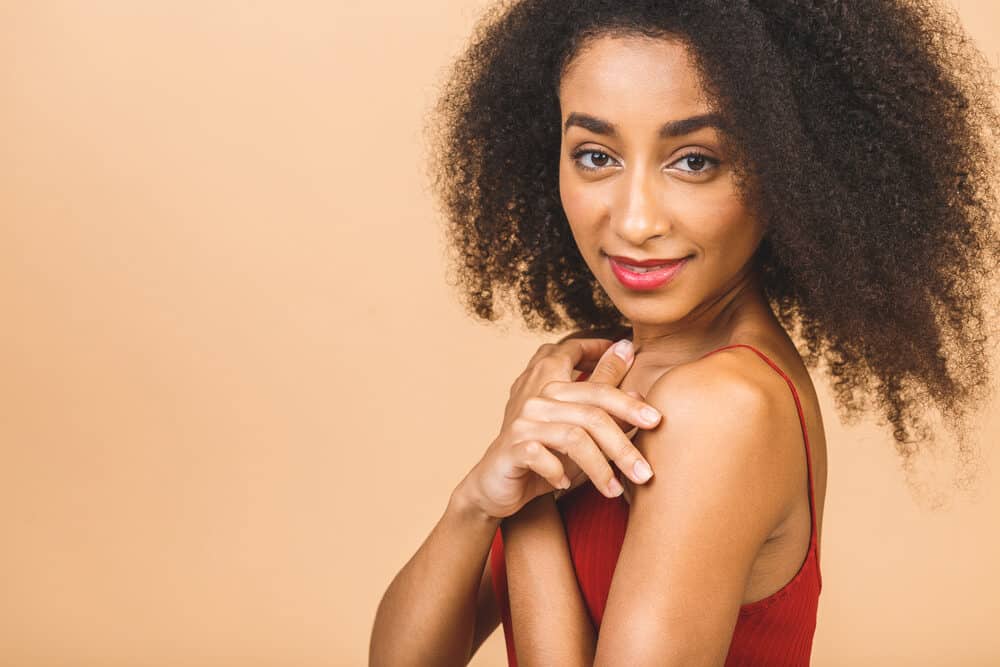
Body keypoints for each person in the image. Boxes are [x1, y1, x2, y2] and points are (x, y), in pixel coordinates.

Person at [370, 1, 1000, 665]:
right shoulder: (602, 379)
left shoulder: (723, 408)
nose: (636, 218)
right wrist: (477, 498)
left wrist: (528, 509)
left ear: (789, 173)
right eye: (594, 155)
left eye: (694, 161)